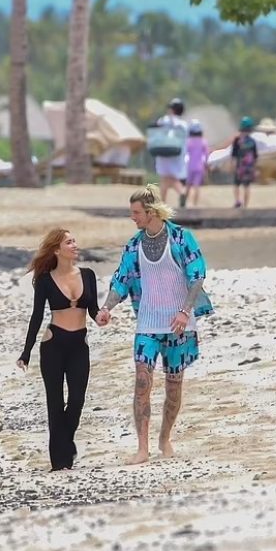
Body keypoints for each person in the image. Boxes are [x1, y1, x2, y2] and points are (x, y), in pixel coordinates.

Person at [95, 185, 214, 465]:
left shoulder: (182, 238)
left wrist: (185, 311)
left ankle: (165, 438)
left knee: (174, 386)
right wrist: (106, 308)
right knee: (141, 381)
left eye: (136, 213)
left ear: (150, 212)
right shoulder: (134, 245)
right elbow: (122, 279)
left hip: (179, 325)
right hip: (147, 324)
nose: (132, 218)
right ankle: (142, 448)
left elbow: (197, 276)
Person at [18, 228, 101, 471]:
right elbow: (36, 317)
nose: (75, 244)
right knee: (55, 404)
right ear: (57, 250)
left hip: (79, 345)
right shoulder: (45, 280)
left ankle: (66, 444)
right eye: (69, 242)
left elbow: (93, 309)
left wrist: (101, 317)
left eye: (74, 240)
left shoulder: (88, 275)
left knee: (77, 400)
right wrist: (26, 352)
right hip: (53, 345)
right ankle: (60, 462)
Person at [154, 98, 189, 207]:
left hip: (163, 153)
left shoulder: (163, 120)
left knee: (167, 178)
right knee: (167, 178)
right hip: (177, 155)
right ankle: (163, 203)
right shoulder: (183, 124)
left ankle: (180, 193)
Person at [231, 116, 258, 208]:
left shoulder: (237, 140)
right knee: (246, 186)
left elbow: (234, 155)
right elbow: (255, 156)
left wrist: (233, 166)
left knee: (236, 184)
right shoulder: (252, 141)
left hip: (239, 167)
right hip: (249, 167)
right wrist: (254, 168)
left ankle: (237, 201)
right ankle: (245, 206)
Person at [185, 120, 209, 207]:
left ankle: (184, 203)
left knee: (187, 185)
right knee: (196, 186)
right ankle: (195, 204)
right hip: (200, 166)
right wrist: (206, 165)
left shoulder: (188, 141)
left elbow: (185, 153)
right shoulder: (204, 141)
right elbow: (206, 155)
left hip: (190, 166)